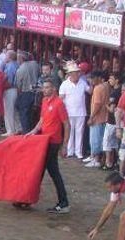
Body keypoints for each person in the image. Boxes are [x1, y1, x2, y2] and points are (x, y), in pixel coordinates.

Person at [22, 79, 70, 213]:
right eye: (44, 88)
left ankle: (63, 202)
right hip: (44, 140)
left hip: (53, 142)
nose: (45, 90)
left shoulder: (59, 103)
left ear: (54, 89)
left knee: (49, 171)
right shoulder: (45, 101)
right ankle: (29, 198)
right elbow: (42, 120)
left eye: (48, 87)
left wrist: (65, 145)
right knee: (44, 170)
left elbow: (66, 124)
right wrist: (33, 131)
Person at [58, 61, 90, 160]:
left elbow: (90, 90)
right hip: (69, 111)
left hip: (81, 111)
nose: (76, 74)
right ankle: (70, 151)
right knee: (70, 132)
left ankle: (78, 152)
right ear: (70, 74)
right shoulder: (64, 84)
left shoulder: (82, 82)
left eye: (77, 72)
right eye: (74, 72)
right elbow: (61, 98)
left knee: (79, 132)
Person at [86, 71, 110, 169]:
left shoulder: (98, 88)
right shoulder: (106, 86)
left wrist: (91, 117)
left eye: (91, 79)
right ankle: (95, 157)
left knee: (95, 140)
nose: (90, 81)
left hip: (97, 118)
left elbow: (97, 104)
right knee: (100, 139)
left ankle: (96, 159)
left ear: (97, 78)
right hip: (104, 117)